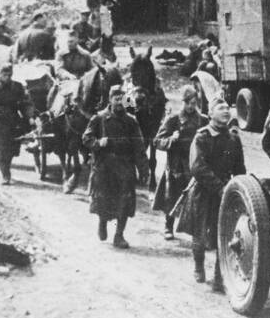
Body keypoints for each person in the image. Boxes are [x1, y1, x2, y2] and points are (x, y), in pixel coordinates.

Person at [187, 99, 246, 289]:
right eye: (221, 108)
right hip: (204, 191)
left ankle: (220, 276)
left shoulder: (234, 138)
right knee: (201, 232)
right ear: (210, 113)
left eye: (228, 108)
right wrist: (220, 187)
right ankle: (198, 267)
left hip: (226, 193)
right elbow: (197, 167)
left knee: (226, 233)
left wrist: (240, 191)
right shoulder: (202, 137)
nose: (226, 111)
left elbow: (239, 169)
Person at [82, 84, 148, 247]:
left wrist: (144, 169)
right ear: (110, 99)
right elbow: (86, 138)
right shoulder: (99, 118)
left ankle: (119, 235)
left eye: (122, 98)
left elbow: (139, 146)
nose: (119, 102)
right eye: (116, 98)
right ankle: (102, 222)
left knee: (125, 202)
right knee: (104, 199)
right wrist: (98, 143)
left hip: (125, 166)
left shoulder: (131, 121)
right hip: (105, 166)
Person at [153, 86, 209, 240]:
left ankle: (195, 231)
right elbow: (157, 141)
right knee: (172, 196)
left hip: (194, 163)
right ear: (183, 102)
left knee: (195, 198)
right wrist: (172, 139)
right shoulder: (173, 119)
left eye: (194, 103)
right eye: (189, 103)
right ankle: (168, 226)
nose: (191, 106)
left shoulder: (203, 120)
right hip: (176, 164)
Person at [0, 63, 33, 185]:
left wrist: (29, 117)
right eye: (4, 75)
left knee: (11, 149)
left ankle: (7, 169)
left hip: (13, 121)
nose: (7, 77)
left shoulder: (17, 87)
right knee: (0, 148)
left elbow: (24, 103)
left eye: (9, 75)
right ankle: (5, 174)